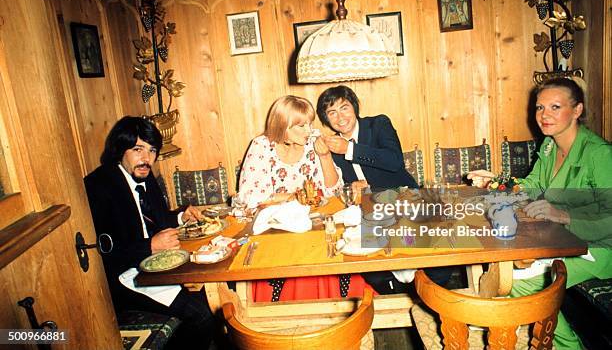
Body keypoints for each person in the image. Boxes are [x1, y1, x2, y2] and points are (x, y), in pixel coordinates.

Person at [468, 77, 612, 350]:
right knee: (507, 272)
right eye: (540, 108)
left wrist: (564, 216)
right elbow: (532, 187)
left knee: (525, 283)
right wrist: (495, 182)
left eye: (555, 107)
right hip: (564, 240)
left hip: (599, 248)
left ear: (577, 110)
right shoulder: (548, 145)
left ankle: (566, 346)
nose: (545, 115)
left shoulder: (599, 155)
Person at [84, 116, 215, 348]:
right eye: (137, 149)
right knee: (203, 314)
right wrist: (150, 246)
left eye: (152, 150)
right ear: (120, 150)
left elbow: (158, 219)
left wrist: (179, 217)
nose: (146, 159)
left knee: (213, 294)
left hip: (158, 268)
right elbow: (105, 254)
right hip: (127, 278)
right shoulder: (99, 186)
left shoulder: (142, 173)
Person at [237, 95, 374, 301]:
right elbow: (250, 197)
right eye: (300, 126)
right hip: (275, 230)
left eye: (310, 123)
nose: (309, 130)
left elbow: (332, 189)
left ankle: (337, 309)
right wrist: (296, 196)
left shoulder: (311, 144)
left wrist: (325, 157)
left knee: (330, 246)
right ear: (282, 126)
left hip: (314, 223)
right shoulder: (262, 146)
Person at [316, 85, 452, 293]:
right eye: (331, 112)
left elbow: (394, 161)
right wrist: (349, 184)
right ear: (326, 119)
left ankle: (432, 291)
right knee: (362, 257)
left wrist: (351, 150)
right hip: (371, 213)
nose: (340, 117)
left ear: (354, 107)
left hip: (406, 200)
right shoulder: (332, 145)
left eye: (344, 108)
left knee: (436, 264)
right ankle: (397, 292)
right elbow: (338, 188)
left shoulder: (378, 124)